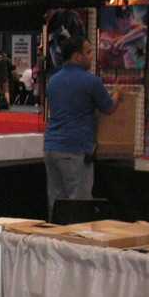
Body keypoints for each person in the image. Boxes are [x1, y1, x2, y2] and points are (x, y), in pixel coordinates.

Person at [44, 35, 120, 219]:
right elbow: (109, 107)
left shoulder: (53, 81)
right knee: (79, 203)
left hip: (52, 148)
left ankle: (54, 234)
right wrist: (118, 94)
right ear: (77, 56)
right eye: (88, 52)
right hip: (76, 149)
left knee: (56, 203)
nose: (92, 56)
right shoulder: (91, 81)